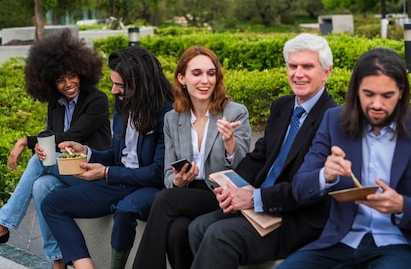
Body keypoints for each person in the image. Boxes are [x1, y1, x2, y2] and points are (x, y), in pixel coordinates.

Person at [277, 47, 411, 269]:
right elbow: (300, 187)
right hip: (340, 240)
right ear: (356, 92)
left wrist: (402, 205)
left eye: (387, 95)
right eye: (369, 94)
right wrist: (326, 174)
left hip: (399, 244)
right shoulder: (334, 121)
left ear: (401, 92)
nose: (377, 105)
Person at [0, 29, 111, 269]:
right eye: (60, 80)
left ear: (83, 72)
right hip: (68, 172)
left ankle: (1, 225)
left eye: (72, 76)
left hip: (94, 174)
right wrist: (41, 148)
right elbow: (50, 139)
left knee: (40, 162)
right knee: (41, 186)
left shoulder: (97, 100)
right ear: (50, 82)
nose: (68, 84)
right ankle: (57, 262)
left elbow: (73, 136)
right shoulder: (56, 104)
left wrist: (26, 142)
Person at [188, 33, 338, 269]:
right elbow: (258, 158)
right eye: (293, 66)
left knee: (220, 235)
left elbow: (309, 187)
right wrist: (231, 187)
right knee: (197, 227)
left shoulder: (333, 119)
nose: (298, 74)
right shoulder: (283, 106)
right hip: (259, 206)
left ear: (326, 72)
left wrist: (254, 198)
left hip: (295, 218)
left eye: (307, 66)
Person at [41, 46, 174, 269]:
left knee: (126, 210)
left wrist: (105, 173)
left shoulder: (166, 113)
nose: (113, 91)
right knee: (52, 204)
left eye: (119, 85)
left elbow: (158, 172)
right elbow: (114, 154)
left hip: (149, 187)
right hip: (118, 182)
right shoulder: (123, 107)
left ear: (141, 83)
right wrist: (87, 151)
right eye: (113, 83)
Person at [132, 46, 252, 269]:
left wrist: (230, 143)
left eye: (211, 73)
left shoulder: (235, 112)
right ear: (182, 78)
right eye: (196, 73)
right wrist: (178, 181)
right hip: (187, 195)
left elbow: (245, 171)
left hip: (222, 194)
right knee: (176, 232)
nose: (205, 80)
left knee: (164, 199)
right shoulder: (172, 119)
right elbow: (169, 174)